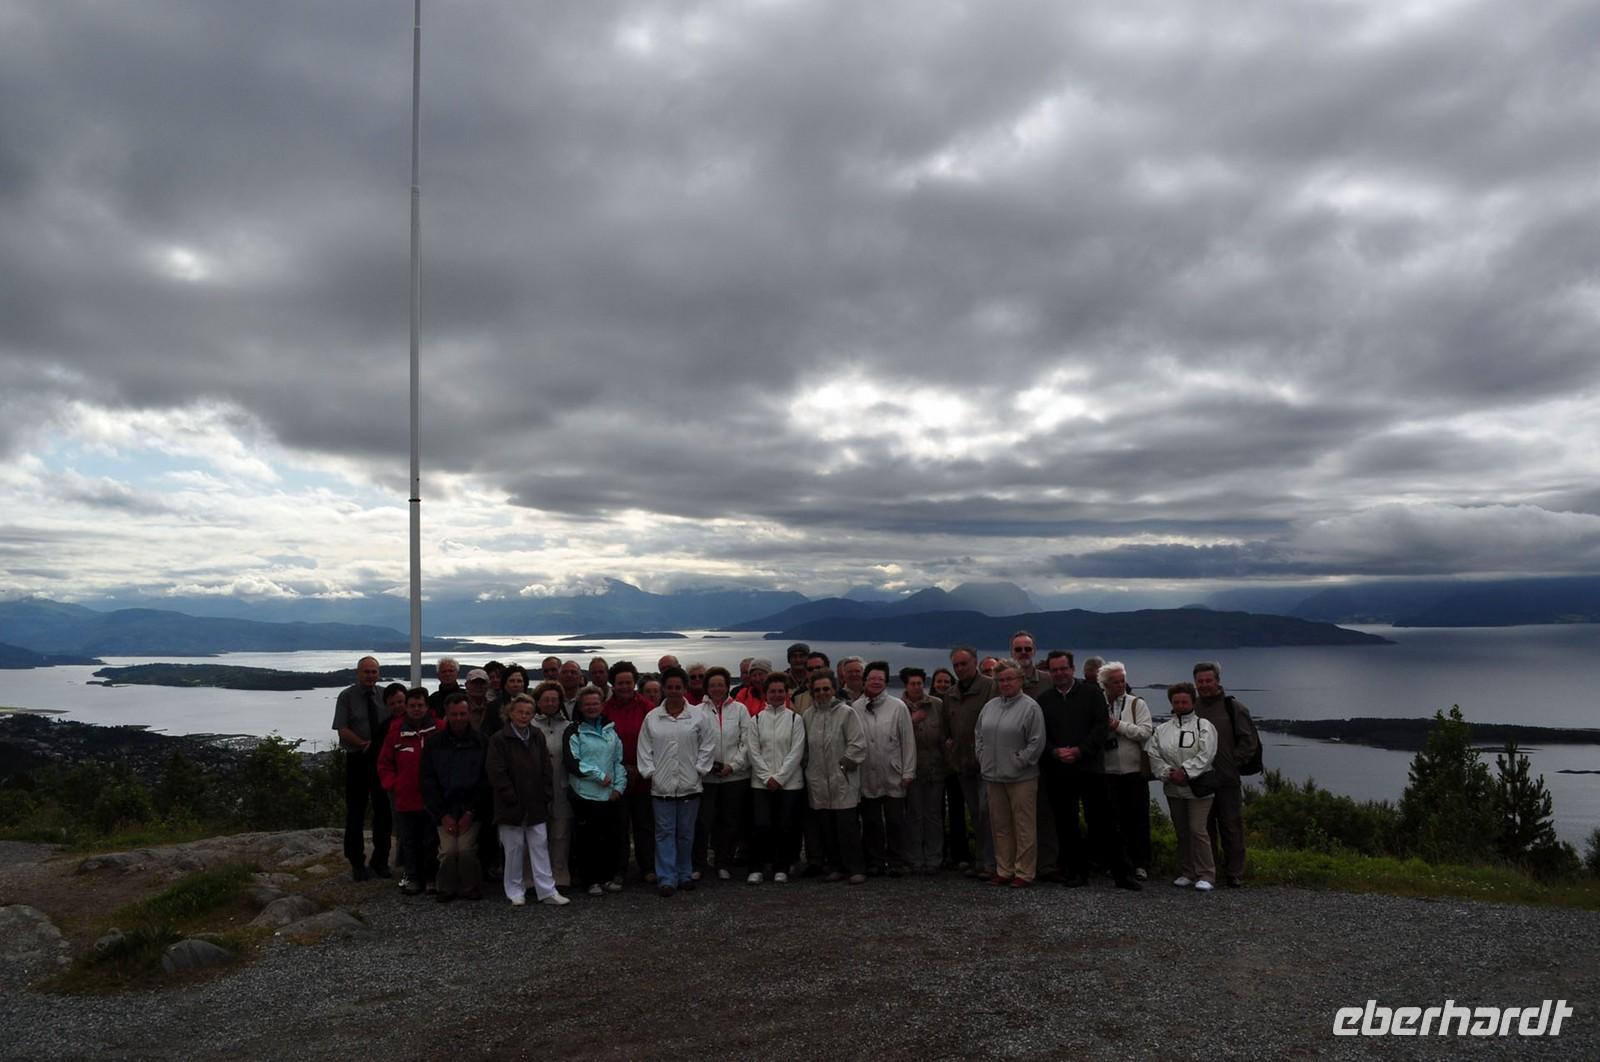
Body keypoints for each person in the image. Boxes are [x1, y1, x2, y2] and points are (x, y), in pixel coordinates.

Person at [1037, 650, 1134, 889]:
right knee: (1066, 824)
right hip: (1059, 770)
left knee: (1104, 821)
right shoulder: (1044, 700)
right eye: (1055, 670)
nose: (1059, 673)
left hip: (1090, 768)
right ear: (1050, 672)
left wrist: (1080, 751)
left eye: (1063, 668)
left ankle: (1122, 873)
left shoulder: (1092, 694)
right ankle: (1077, 872)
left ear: (1072, 669)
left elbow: (1100, 728)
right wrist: (1054, 752)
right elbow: (1040, 734)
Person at [637, 667, 716, 897]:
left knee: (686, 833)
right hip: (661, 787)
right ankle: (667, 878)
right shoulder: (652, 717)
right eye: (669, 687)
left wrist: (700, 770)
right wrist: (650, 773)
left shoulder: (698, 716)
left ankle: (684, 874)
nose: (673, 691)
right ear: (664, 688)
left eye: (678, 687)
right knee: (664, 833)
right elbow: (644, 748)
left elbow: (707, 745)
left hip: (690, 785)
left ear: (684, 688)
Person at [485, 693, 570, 907]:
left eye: (528, 713)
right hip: (510, 804)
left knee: (540, 846)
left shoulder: (536, 735)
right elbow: (496, 772)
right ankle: (514, 890)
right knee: (513, 849)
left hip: (536, 802)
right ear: (510, 713)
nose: (524, 716)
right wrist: (510, 796)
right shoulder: (499, 739)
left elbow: (546, 766)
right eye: (520, 712)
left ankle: (547, 890)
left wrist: (546, 793)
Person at [974, 663, 1045, 887]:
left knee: (1023, 826)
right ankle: (1004, 869)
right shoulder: (990, 706)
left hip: (1021, 778)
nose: (1005, 684)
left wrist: (1018, 761)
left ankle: (1024, 872)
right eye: (1001, 680)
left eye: (1009, 679)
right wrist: (982, 757)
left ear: (1020, 680)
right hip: (993, 776)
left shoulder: (1030, 707)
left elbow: (1036, 742)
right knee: (1000, 826)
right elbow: (979, 735)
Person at [1147, 681, 1219, 891]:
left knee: (1197, 830)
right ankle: (1187, 871)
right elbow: (1153, 754)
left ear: (1192, 702)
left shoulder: (1204, 726)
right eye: (1176, 702)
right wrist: (1167, 773)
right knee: (1182, 831)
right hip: (1173, 787)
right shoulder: (1162, 729)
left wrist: (1185, 771)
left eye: (1184, 701)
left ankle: (1206, 874)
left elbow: (1207, 754)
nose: (1180, 705)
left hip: (1198, 788)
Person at [1193, 661, 1260, 888]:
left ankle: (1234, 872)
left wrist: (1232, 762)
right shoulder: (1193, 707)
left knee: (1231, 826)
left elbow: (1249, 741)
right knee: (1204, 828)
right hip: (1201, 779)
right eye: (1200, 681)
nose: (1204, 685)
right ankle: (1208, 870)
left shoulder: (1234, 708)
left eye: (1208, 680)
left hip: (1227, 779)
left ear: (1217, 681)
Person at [420, 693, 489, 902]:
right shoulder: (433, 743)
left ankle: (469, 886)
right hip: (444, 809)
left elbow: (485, 781)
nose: (459, 718)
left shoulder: (481, 742)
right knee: (449, 851)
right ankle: (446, 887)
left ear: (469, 714)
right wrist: (443, 815)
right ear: (446, 715)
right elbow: (428, 782)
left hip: (472, 809)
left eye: (462, 714)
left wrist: (470, 812)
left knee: (466, 849)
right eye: (454, 714)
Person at [331, 656, 393, 881]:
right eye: (366, 671)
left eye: (374, 672)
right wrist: (364, 745)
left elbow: (394, 724)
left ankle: (381, 860)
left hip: (382, 761)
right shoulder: (347, 696)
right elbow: (342, 728)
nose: (370, 676)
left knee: (383, 811)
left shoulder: (385, 695)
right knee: (356, 812)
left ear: (379, 674)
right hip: (357, 759)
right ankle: (357, 862)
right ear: (358, 673)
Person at [803, 671, 868, 883]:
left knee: (847, 826)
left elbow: (857, 744)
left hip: (842, 779)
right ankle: (836, 866)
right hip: (818, 780)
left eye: (826, 689)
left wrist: (843, 766)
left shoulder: (847, 713)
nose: (822, 693)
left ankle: (856, 868)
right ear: (812, 692)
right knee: (827, 827)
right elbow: (805, 748)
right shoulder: (808, 716)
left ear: (834, 689)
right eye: (817, 690)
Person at [743, 671, 807, 884]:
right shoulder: (756, 720)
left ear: (786, 693)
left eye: (781, 691)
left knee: (785, 826)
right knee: (761, 825)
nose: (777, 695)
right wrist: (766, 777)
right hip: (760, 784)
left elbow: (796, 751)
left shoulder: (795, 720)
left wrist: (779, 778)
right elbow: (753, 751)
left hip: (790, 784)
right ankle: (756, 867)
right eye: (773, 691)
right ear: (766, 693)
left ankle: (782, 867)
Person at [853, 661, 915, 876]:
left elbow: (908, 741)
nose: (876, 682)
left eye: (880, 679)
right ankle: (875, 860)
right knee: (871, 821)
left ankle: (897, 860)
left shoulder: (898, 706)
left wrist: (908, 771)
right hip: (866, 773)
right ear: (865, 681)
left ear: (886, 682)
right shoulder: (855, 708)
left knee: (895, 820)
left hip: (893, 772)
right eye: (872, 678)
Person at [564, 685, 627, 896]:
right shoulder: (574, 730)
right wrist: (598, 775)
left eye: (595, 703)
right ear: (580, 707)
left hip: (609, 795)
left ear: (602, 705)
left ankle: (607, 876)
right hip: (585, 793)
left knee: (609, 838)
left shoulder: (610, 730)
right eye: (587, 704)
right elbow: (573, 762)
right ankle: (590, 880)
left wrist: (619, 786)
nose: (591, 707)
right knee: (587, 840)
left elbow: (618, 761)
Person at [378, 687, 439, 895]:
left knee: (431, 840)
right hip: (405, 798)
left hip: (432, 798)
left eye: (420, 705)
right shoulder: (395, 732)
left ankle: (431, 877)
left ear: (427, 707)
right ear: (407, 707)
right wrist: (393, 784)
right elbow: (384, 764)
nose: (416, 709)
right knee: (408, 840)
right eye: (412, 705)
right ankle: (412, 877)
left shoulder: (439, 728)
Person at [943, 646, 997, 876]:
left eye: (964, 663)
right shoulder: (951, 694)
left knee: (988, 812)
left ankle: (993, 863)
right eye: (956, 665)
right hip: (963, 764)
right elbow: (947, 728)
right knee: (975, 813)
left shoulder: (990, 687)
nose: (960, 668)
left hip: (986, 764)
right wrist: (951, 748)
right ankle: (982, 861)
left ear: (975, 662)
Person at [1098, 661, 1154, 881]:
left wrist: (1118, 726)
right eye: (1115, 682)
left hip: (1134, 771)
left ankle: (1141, 863)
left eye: (1122, 680)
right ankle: (1117, 862)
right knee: (1113, 819)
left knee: (1138, 818)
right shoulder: (1098, 704)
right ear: (1105, 684)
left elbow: (1145, 732)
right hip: (1108, 771)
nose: (1121, 685)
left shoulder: (1136, 704)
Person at [603, 661, 656, 885]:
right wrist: (623, 768)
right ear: (613, 684)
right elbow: (602, 744)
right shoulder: (606, 710)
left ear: (634, 683)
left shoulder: (647, 707)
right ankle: (620, 869)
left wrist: (641, 767)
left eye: (628, 682)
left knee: (644, 825)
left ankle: (648, 867)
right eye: (620, 683)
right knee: (619, 826)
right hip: (617, 778)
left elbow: (656, 740)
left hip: (644, 776)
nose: (625, 686)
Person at [694, 666, 749, 880]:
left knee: (729, 821)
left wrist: (733, 765)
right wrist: (706, 765)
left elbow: (747, 742)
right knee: (703, 821)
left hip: (734, 777)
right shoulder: (697, 711)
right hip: (706, 777)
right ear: (707, 688)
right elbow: (694, 743)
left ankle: (723, 862)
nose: (717, 689)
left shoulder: (740, 710)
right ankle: (699, 864)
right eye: (713, 685)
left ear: (727, 686)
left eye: (721, 685)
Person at [901, 667, 950, 874]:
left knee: (933, 815)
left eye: (919, 683)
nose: (916, 687)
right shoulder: (899, 707)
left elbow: (945, 732)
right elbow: (896, 736)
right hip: (911, 770)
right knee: (914, 815)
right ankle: (915, 857)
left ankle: (934, 858)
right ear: (906, 686)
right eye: (912, 684)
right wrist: (912, 722)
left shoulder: (937, 705)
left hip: (935, 768)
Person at [530, 680, 573, 889]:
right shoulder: (529, 725)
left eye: (554, 700)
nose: (550, 703)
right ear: (538, 702)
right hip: (535, 788)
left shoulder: (568, 727)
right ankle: (533, 878)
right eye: (545, 699)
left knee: (560, 834)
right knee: (536, 835)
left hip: (561, 786)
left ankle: (560, 875)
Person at [463, 669, 502, 735]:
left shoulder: (495, 707)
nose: (478, 686)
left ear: (488, 685)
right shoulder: (458, 707)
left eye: (482, 683)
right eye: (474, 683)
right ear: (466, 685)